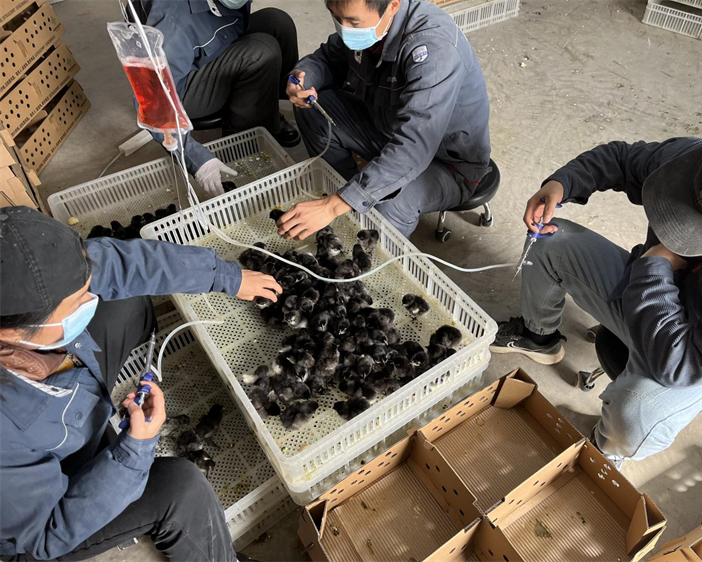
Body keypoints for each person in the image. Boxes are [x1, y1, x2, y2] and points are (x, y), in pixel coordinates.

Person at [0, 206, 282, 561]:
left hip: (53, 416)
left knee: (125, 301)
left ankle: (90, 426)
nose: (90, 299)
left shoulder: (21, 274)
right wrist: (133, 450)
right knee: (180, 488)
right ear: (11, 332)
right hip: (36, 527)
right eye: (75, 303)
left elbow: (119, 265)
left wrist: (226, 277)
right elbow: (45, 534)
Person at [490, 125, 702, 467]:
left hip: (696, 355)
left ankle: (605, 451)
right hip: (652, 284)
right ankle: (538, 337)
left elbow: (678, 363)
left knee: (636, 414)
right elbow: (622, 158)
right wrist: (562, 183)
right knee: (550, 240)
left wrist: (656, 264)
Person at [277, 0, 492, 240]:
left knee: (390, 206)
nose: (344, 29)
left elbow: (413, 147)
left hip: (445, 162)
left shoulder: (435, 51)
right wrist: (302, 80)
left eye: (353, 22)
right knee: (314, 110)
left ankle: (354, 221)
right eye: (336, 18)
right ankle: (347, 201)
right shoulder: (368, 27)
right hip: (386, 128)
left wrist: (333, 205)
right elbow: (327, 58)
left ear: (392, 6)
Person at [127, 0, 301, 197]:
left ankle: (267, 113)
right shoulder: (173, 23)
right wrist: (197, 160)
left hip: (205, 45)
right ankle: (244, 145)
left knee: (277, 22)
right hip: (180, 90)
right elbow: (151, 102)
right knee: (261, 52)